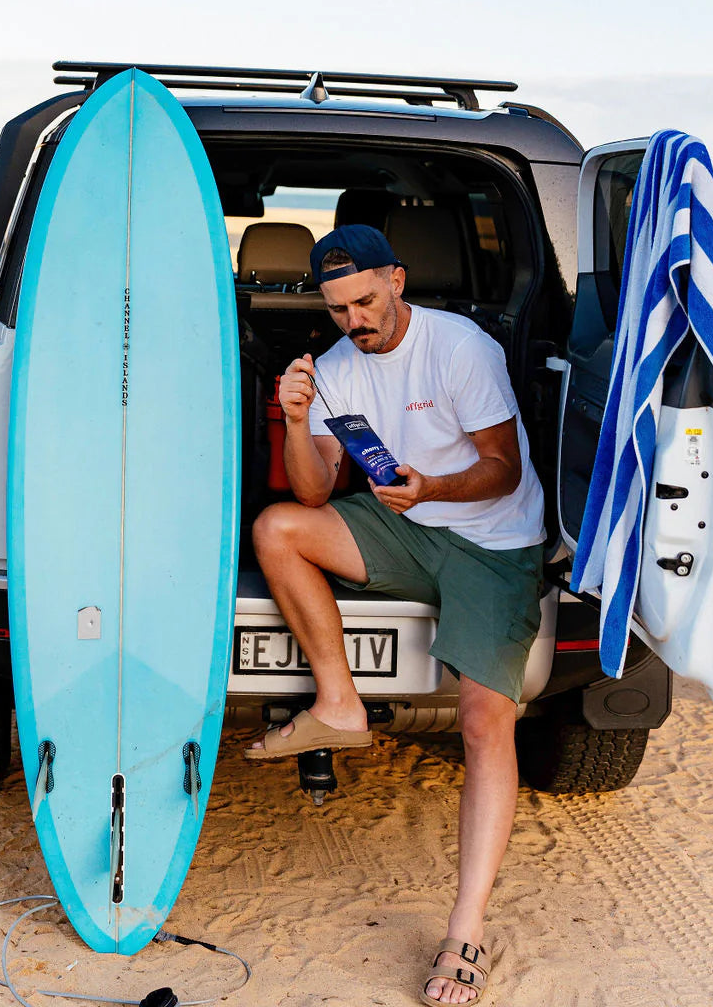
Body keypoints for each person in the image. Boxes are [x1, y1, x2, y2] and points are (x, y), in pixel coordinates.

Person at [246, 223, 546, 1007]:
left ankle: (465, 932)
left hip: (489, 538)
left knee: (484, 723)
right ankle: (339, 704)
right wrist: (297, 418)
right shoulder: (336, 367)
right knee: (278, 529)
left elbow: (502, 469)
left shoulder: (460, 348)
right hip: (406, 525)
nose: (355, 321)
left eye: (366, 302)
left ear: (397, 280)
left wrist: (430, 489)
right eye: (338, 308)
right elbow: (313, 491)